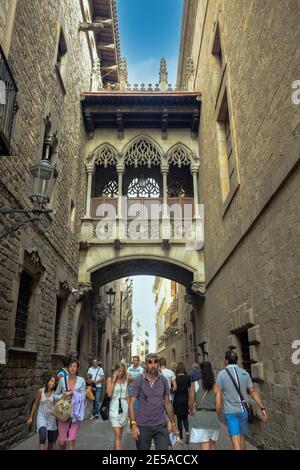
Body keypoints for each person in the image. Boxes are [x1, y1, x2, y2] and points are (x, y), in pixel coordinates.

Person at [216, 350, 268, 450]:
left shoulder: (221, 374)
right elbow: (253, 392)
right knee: (242, 440)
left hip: (231, 413)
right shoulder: (245, 373)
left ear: (226, 361)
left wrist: (217, 410)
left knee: (236, 442)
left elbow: (218, 394)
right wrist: (262, 408)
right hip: (244, 411)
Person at [129, 352, 179, 450]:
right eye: (150, 362)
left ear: (159, 364)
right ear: (146, 365)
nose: (153, 365)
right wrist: (133, 424)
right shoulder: (139, 379)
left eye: (156, 362)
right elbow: (131, 404)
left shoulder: (163, 380)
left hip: (160, 425)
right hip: (143, 426)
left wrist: (173, 424)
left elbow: (168, 404)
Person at [54, 357, 86, 450]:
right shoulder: (62, 380)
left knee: (71, 440)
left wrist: (73, 393)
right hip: (63, 412)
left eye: (75, 366)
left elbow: (83, 397)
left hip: (75, 414)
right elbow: (55, 395)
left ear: (77, 368)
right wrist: (62, 396)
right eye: (71, 366)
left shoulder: (81, 380)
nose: (72, 368)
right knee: (62, 441)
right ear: (68, 368)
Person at [188, 362, 222, 450]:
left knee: (205, 447)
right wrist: (214, 415)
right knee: (213, 446)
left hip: (200, 418)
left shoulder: (194, 384)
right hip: (213, 419)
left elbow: (190, 402)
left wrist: (191, 412)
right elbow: (218, 407)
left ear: (201, 371)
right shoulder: (217, 387)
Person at [27, 375, 57, 450]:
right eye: (51, 381)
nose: (53, 383)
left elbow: (58, 405)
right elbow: (35, 403)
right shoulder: (41, 391)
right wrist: (30, 417)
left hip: (51, 418)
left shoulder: (55, 393)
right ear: (47, 382)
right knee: (42, 437)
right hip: (42, 416)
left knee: (50, 441)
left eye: (54, 382)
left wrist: (56, 411)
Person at [106, 362, 129, 450]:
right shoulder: (110, 379)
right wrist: (113, 379)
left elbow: (127, 396)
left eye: (122, 371)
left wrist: (130, 412)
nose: (120, 373)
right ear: (115, 370)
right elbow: (109, 394)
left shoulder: (125, 380)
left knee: (119, 436)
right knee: (118, 435)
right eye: (119, 371)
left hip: (124, 408)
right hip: (114, 408)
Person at [173, 362, 191, 443]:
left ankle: (181, 437)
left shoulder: (175, 378)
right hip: (185, 399)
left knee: (179, 419)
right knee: (185, 418)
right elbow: (190, 389)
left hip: (177, 399)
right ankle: (187, 431)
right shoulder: (188, 377)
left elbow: (173, 389)